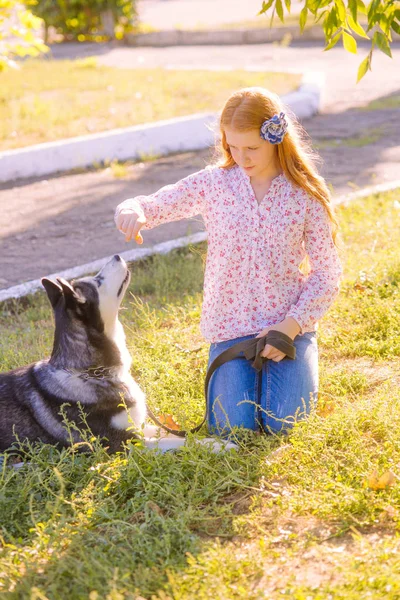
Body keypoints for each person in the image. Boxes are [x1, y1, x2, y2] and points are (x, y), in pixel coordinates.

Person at [114, 87, 342, 438]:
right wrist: (132, 210)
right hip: (230, 328)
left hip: (288, 328)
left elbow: (327, 273)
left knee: (284, 423)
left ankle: (292, 364)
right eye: (232, 146)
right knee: (233, 429)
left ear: (276, 138)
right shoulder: (215, 184)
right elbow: (158, 203)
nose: (242, 156)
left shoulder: (305, 195)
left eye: (252, 147)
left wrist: (292, 326)